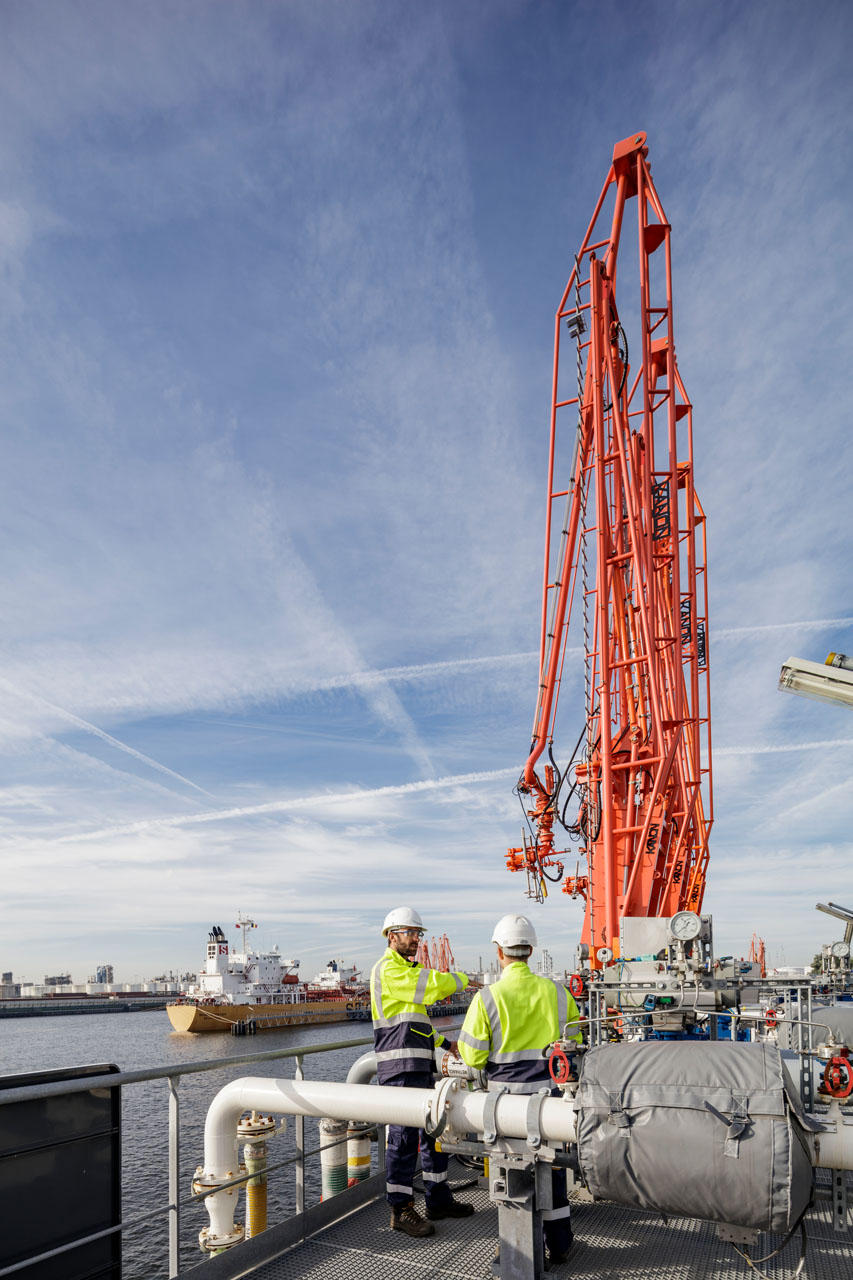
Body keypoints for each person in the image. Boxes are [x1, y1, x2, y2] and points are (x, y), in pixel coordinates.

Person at [458, 913, 582, 1266]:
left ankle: (513, 1247)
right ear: (530, 950)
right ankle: (559, 1244)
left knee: (510, 1176)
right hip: (551, 1103)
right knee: (554, 1170)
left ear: (500, 952)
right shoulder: (557, 993)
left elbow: (471, 1055)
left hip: (505, 1107)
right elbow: (574, 1043)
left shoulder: (487, 998)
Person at [371, 906, 476, 1238]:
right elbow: (431, 986)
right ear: (392, 936)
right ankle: (400, 1210)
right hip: (398, 1067)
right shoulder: (388, 970)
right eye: (411, 933)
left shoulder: (404, 971)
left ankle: (438, 1199)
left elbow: (416, 1023)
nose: (417, 939)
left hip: (419, 1064)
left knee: (434, 1130)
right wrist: (462, 980)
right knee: (402, 1139)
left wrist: (447, 1043)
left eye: (419, 934)